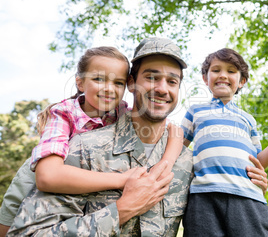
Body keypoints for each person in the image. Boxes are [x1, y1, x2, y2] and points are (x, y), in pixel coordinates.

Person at [4, 38, 268, 236]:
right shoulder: (82, 147)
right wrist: (120, 211)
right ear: (131, 83)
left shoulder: (188, 163)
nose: (162, 89)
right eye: (151, 77)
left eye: (172, 81)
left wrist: (252, 178)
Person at [0, 46, 183, 234]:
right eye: (98, 79)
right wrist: (120, 179)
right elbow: (47, 177)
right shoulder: (64, 114)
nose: (109, 89)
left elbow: (159, 122)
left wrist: (173, 148)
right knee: (7, 227)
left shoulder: (120, 111)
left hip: (78, 180)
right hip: (37, 175)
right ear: (80, 83)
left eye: (118, 82)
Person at [181, 48, 268, 237]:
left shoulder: (248, 119)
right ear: (205, 78)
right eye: (216, 70)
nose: (223, 75)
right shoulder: (196, 111)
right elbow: (178, 148)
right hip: (204, 197)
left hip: (247, 197)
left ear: (242, 81)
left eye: (231, 71)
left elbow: (258, 162)